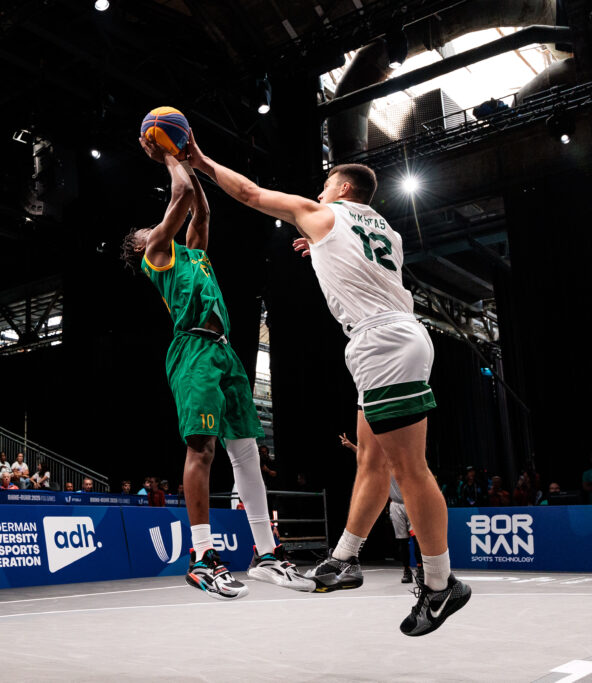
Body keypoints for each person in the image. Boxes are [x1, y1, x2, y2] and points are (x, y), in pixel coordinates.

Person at [189, 135, 469, 632]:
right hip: (391, 338)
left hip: (382, 343)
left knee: (410, 470)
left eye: (323, 187)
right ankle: (345, 558)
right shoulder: (386, 230)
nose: (317, 195)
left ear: (341, 187)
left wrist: (199, 159)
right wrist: (319, 248)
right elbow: (361, 266)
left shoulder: (323, 213)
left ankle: (442, 584)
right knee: (371, 460)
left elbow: (251, 194)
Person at [121, 139, 306, 599]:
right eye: (149, 228)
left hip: (224, 351)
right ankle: (201, 557)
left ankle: (266, 553)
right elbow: (180, 196)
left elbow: (199, 212)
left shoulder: (194, 254)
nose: (154, 228)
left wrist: (192, 164)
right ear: (143, 246)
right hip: (193, 352)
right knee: (201, 450)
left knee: (248, 455)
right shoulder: (157, 256)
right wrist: (168, 157)